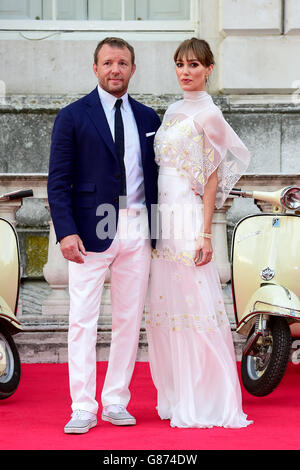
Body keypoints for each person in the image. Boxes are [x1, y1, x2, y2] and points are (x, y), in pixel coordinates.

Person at [47, 37, 161, 434]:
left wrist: (158, 235)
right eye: (108, 62)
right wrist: (66, 232)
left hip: (138, 227)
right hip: (90, 229)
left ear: (133, 69)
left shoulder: (149, 118)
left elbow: (158, 180)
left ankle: (115, 400)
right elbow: (58, 181)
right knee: (82, 319)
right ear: (95, 68)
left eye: (123, 63)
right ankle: (82, 406)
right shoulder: (73, 116)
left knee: (130, 320)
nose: (116, 69)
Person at [146, 37, 253, 428]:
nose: (185, 72)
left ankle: (208, 398)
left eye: (193, 65)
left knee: (196, 305)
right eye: (180, 64)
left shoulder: (210, 115)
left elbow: (211, 179)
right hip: (163, 217)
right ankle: (178, 396)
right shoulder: (173, 110)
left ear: (209, 69)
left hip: (189, 219)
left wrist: (205, 234)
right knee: (167, 307)